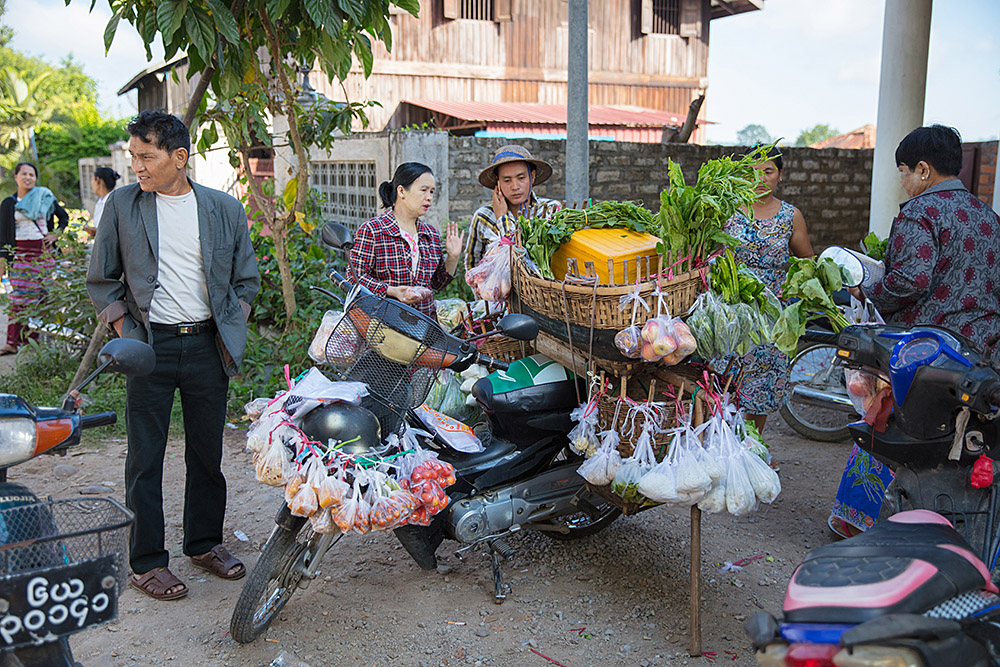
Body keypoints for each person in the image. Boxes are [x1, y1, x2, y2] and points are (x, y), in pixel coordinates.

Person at [87, 110, 260, 601]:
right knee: (146, 456)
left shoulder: (224, 209)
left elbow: (246, 279)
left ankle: (204, 543)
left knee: (208, 452)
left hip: (208, 344)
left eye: (146, 156)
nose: (136, 166)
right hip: (150, 347)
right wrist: (128, 334)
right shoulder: (123, 206)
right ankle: (146, 562)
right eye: (133, 157)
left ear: (179, 157)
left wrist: (233, 319)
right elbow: (102, 281)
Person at [830, 124, 1000, 539]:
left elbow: (910, 281)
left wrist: (865, 287)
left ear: (923, 170)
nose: (903, 182)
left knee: (891, 429)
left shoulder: (920, 213)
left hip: (928, 354)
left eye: (903, 171)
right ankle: (957, 531)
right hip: (982, 355)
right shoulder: (989, 218)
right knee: (966, 441)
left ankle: (864, 526)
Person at [719, 147, 814, 431]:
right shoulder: (728, 210)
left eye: (768, 171)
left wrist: (798, 286)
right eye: (753, 172)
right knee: (724, 377)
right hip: (730, 306)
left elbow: (807, 260)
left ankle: (754, 446)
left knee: (761, 382)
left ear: (780, 175)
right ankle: (722, 447)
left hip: (771, 313)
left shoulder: (790, 216)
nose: (760, 178)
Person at [349, 162, 464, 319]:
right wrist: (391, 290)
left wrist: (453, 257)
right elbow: (355, 278)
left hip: (424, 328)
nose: (429, 197)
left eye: (431, 191)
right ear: (402, 191)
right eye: (423, 190)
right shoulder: (373, 230)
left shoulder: (430, 234)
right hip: (384, 325)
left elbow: (438, 284)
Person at [0, 161, 69, 354]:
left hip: (43, 253)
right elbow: (3, 235)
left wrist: (56, 234)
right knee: (19, 298)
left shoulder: (45, 197)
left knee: (43, 296)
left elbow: (63, 217)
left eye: (31, 174)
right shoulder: (9, 204)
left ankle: (37, 344)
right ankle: (12, 343)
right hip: (20, 255)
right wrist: (2, 261)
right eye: (24, 174)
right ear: (16, 177)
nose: (28, 178)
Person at [465, 144, 560, 271]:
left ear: (532, 177)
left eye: (521, 178)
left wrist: (502, 219)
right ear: (497, 183)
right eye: (507, 180)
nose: (515, 186)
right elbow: (472, 264)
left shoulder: (549, 210)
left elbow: (522, 257)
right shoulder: (483, 217)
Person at [84, 166, 121, 237]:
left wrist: (96, 232)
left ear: (98, 180)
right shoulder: (101, 202)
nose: (91, 184)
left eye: (92, 180)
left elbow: (114, 231)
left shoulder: (113, 202)